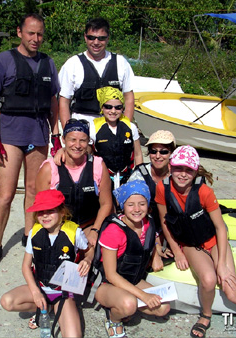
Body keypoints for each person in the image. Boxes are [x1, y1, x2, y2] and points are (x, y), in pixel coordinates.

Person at [155, 145, 236, 338]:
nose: (183, 174)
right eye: (178, 168)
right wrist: (178, 251)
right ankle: (205, 316)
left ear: (195, 171)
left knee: (231, 290)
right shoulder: (162, 188)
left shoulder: (204, 192)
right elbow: (165, 222)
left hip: (213, 240)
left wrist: (222, 264)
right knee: (208, 280)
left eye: (188, 170)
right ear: (171, 167)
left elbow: (220, 227)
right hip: (191, 245)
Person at [0, 13, 61, 269]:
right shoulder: (4, 60)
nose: (35, 39)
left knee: (34, 191)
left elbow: (53, 101)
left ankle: (29, 238)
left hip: (38, 133)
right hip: (11, 134)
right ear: (20, 32)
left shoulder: (48, 63)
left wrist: (56, 134)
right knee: (5, 195)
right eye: (31, 33)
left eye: (40, 34)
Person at [0, 189, 93, 338]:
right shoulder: (34, 232)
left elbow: (89, 251)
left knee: (73, 336)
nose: (44, 216)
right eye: (40, 212)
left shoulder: (74, 232)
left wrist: (87, 260)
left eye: (50, 211)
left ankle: (56, 308)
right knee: (7, 301)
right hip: (40, 286)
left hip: (63, 293)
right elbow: (26, 266)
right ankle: (46, 307)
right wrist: (36, 293)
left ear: (62, 212)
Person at [95, 180, 170, 338]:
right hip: (107, 284)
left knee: (164, 307)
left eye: (142, 204)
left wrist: (156, 253)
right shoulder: (114, 231)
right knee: (129, 305)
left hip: (133, 279)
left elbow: (153, 237)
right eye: (131, 204)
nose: (137, 209)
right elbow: (111, 275)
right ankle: (114, 319)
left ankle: (125, 304)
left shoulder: (147, 223)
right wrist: (143, 296)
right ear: (123, 206)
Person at [35, 118, 113, 247]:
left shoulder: (98, 165)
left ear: (88, 142)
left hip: (90, 225)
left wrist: (95, 230)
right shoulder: (50, 168)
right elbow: (41, 208)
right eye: (72, 140)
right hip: (59, 228)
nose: (77, 145)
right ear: (64, 140)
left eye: (82, 140)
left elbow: (106, 203)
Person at [58, 17, 135, 129]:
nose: (96, 42)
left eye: (101, 38)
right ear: (85, 37)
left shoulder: (121, 63)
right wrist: (68, 130)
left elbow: (129, 98)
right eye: (91, 38)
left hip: (113, 127)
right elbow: (64, 101)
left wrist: (125, 127)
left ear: (108, 38)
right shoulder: (72, 64)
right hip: (82, 127)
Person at [128, 130, 177, 271]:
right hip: (144, 223)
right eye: (153, 151)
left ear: (171, 153)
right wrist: (156, 242)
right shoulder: (140, 175)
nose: (157, 156)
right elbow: (134, 213)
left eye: (163, 152)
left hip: (169, 224)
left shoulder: (179, 174)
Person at [92, 86, 143, 189]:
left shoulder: (130, 127)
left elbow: (138, 154)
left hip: (127, 175)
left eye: (118, 107)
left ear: (123, 108)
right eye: (108, 107)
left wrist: (139, 175)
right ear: (102, 107)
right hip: (103, 176)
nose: (113, 111)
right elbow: (89, 155)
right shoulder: (94, 128)